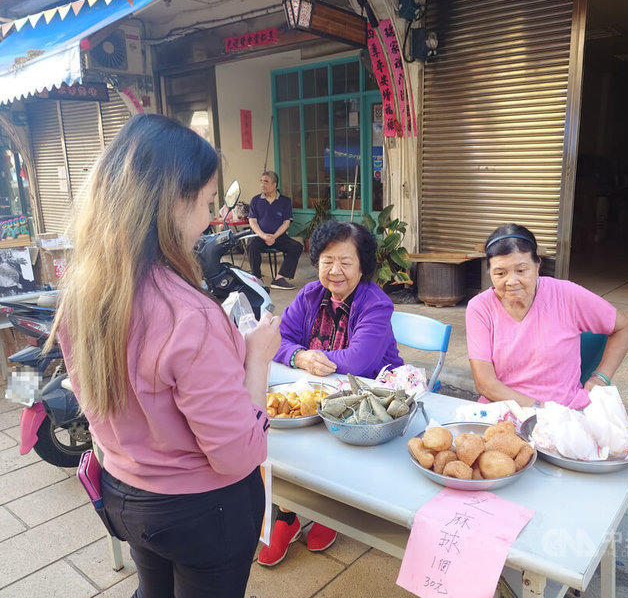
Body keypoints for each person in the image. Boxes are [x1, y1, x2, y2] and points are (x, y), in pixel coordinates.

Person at [49, 114, 282, 597]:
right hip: (200, 512)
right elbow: (239, 454)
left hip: (123, 494)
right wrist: (257, 359)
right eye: (208, 203)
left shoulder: (82, 294)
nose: (211, 218)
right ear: (176, 202)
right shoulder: (189, 314)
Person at [259, 220, 403, 566]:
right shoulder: (310, 294)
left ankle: (325, 513)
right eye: (327, 261)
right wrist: (299, 355)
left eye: (346, 262)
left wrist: (309, 359)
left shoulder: (376, 303)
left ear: (363, 265)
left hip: (363, 404)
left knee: (328, 448)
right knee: (272, 441)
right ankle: (286, 515)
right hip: (316, 395)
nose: (335, 271)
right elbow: (278, 338)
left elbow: (359, 360)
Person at [466, 223, 628, 410]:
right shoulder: (480, 308)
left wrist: (600, 377)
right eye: (500, 273)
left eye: (521, 270)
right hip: (503, 411)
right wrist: (539, 409)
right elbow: (485, 383)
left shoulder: (567, 295)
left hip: (565, 412)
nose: (511, 281)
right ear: (489, 271)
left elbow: (623, 327)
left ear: (538, 265)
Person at [247, 171, 303, 290]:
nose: (262, 184)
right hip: (260, 236)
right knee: (251, 245)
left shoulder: (285, 201)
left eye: (266, 182)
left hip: (278, 236)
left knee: (296, 246)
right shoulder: (255, 200)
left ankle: (279, 278)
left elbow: (286, 223)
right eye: (261, 181)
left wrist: (274, 236)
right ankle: (257, 279)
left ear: (274, 184)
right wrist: (264, 236)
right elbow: (253, 221)